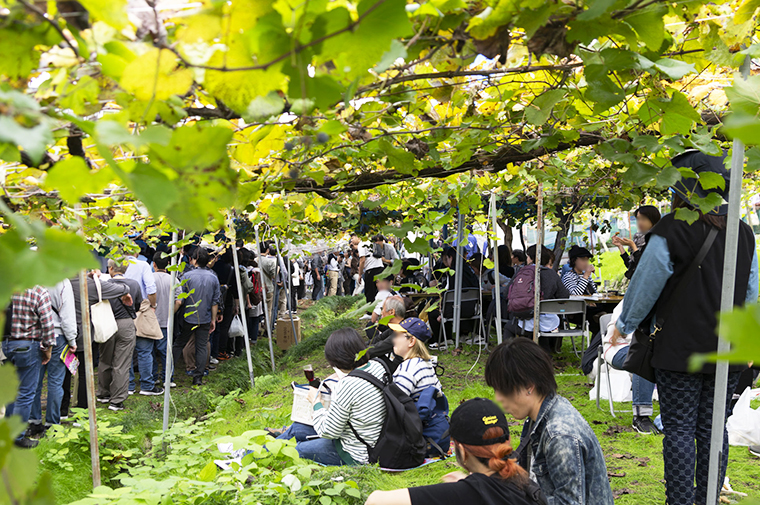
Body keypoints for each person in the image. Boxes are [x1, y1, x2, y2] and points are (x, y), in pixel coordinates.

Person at [611, 151, 758, 505]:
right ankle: (706, 498)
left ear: (680, 186)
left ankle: (679, 501)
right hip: (728, 348)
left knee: (678, 428)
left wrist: (625, 324)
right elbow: (753, 294)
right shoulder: (743, 232)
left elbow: (646, 284)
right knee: (713, 429)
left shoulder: (671, 228)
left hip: (678, 347)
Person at [485, 339, 614, 505]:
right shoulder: (543, 411)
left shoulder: (559, 436)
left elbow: (569, 503)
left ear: (529, 386)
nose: (498, 399)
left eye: (502, 389)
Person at [365, 398, 546, 505]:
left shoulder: (468, 493)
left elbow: (375, 501)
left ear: (461, 450)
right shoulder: (522, 482)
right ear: (506, 443)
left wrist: (457, 489)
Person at [280, 328, 387, 465]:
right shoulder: (378, 366)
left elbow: (328, 431)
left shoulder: (348, 385)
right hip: (375, 439)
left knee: (298, 449)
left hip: (357, 453)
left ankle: (252, 456)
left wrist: (316, 402)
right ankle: (251, 453)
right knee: (297, 428)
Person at [66, 274, 131, 413]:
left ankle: (62, 409)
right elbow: (122, 288)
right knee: (85, 373)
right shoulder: (91, 285)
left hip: (64, 335)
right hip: (85, 334)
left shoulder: (60, 282)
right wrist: (95, 278)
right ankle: (83, 408)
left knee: (62, 374)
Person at [3, 286, 56, 448]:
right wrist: (48, 348)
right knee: (25, 393)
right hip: (28, 346)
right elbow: (47, 325)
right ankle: (18, 437)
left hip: (4, 345)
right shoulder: (38, 291)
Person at [390, 317, 450, 456]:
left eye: (398, 336)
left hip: (419, 433)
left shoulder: (408, 368)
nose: (393, 340)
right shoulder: (426, 363)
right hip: (435, 431)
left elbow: (394, 403)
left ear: (411, 341)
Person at [600, 302, 659, 434]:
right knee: (642, 358)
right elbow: (621, 331)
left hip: (650, 348)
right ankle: (640, 416)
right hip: (618, 347)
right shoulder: (634, 298)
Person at [29, 279, 77, 433]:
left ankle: (34, 421)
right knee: (55, 382)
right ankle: (52, 423)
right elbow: (67, 314)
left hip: (35, 335)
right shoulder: (62, 281)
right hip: (59, 335)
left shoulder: (31, 277)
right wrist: (72, 339)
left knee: (35, 383)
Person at [504, 245, 570, 354]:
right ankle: (545, 354)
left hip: (526, 320)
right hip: (548, 323)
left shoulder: (522, 272)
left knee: (508, 327)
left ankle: (508, 355)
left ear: (530, 257)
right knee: (541, 327)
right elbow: (564, 296)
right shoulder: (552, 274)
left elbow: (507, 293)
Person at [99, 260, 143, 411]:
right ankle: (117, 400)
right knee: (122, 362)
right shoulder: (134, 284)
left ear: (110, 268)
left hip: (106, 322)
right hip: (126, 323)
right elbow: (137, 305)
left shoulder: (102, 284)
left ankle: (103, 393)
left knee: (105, 359)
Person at [174, 247, 222, 387]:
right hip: (205, 317)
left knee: (180, 343)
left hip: (188, 316)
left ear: (193, 260)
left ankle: (168, 371)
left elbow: (180, 298)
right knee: (201, 346)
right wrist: (213, 319)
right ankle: (198, 377)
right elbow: (215, 302)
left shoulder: (186, 276)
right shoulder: (213, 277)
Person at [151, 254, 182, 387]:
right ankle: (167, 378)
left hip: (150, 320)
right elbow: (179, 301)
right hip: (166, 320)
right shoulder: (174, 279)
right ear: (168, 263)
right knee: (165, 351)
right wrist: (170, 314)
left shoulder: (149, 278)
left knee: (149, 351)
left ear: (154, 264)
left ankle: (152, 377)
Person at [612, 205, 661, 279]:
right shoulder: (638, 238)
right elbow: (631, 266)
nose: (639, 222)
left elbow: (643, 267)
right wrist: (620, 246)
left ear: (653, 220)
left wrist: (633, 246)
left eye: (643, 219)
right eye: (638, 219)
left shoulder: (656, 239)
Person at [361, 234, 398, 304]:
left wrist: (386, 261)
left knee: (385, 289)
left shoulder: (389, 247)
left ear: (383, 241)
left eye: (379, 241)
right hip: (377, 271)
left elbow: (397, 261)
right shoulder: (372, 248)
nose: (377, 243)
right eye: (375, 241)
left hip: (389, 270)